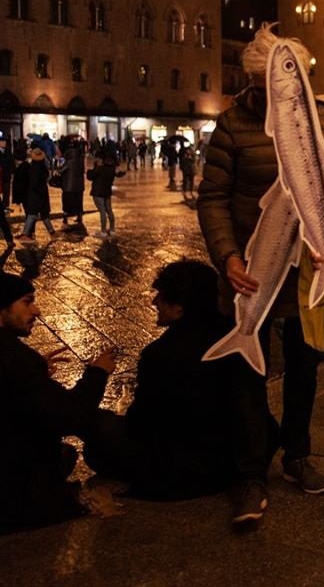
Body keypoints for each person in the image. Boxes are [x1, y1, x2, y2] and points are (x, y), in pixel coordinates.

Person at [197, 24, 324, 525]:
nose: (276, 94)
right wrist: (228, 257)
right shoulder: (232, 126)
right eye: (264, 86)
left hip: (308, 268)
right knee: (246, 369)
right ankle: (250, 471)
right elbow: (213, 198)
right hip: (251, 265)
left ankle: (297, 453)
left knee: (306, 365)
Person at [82, 261, 241, 499]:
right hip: (231, 459)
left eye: (161, 297)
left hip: (183, 468)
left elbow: (141, 424)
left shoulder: (161, 354)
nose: (154, 302)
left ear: (179, 308)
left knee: (99, 431)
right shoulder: (234, 334)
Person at [0, 272, 117, 533]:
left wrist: (35, 372)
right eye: (27, 302)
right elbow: (68, 416)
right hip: (13, 485)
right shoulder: (16, 357)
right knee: (78, 445)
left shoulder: (16, 359)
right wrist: (97, 373)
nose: (36, 310)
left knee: (66, 454)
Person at [19, 143, 56, 244]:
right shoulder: (39, 168)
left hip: (36, 194)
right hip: (38, 194)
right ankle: (25, 234)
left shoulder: (34, 167)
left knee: (41, 214)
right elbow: (36, 182)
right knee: (34, 214)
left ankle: (52, 232)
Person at [87, 150, 122, 238]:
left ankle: (103, 231)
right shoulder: (111, 167)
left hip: (98, 191)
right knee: (109, 210)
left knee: (102, 211)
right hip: (107, 191)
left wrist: (91, 170)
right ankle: (112, 229)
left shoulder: (99, 168)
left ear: (99, 159)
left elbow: (90, 176)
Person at [60, 138, 86, 229]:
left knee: (66, 203)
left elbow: (61, 171)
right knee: (78, 202)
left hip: (68, 186)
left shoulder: (68, 162)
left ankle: (65, 218)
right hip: (79, 186)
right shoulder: (80, 161)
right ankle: (79, 217)